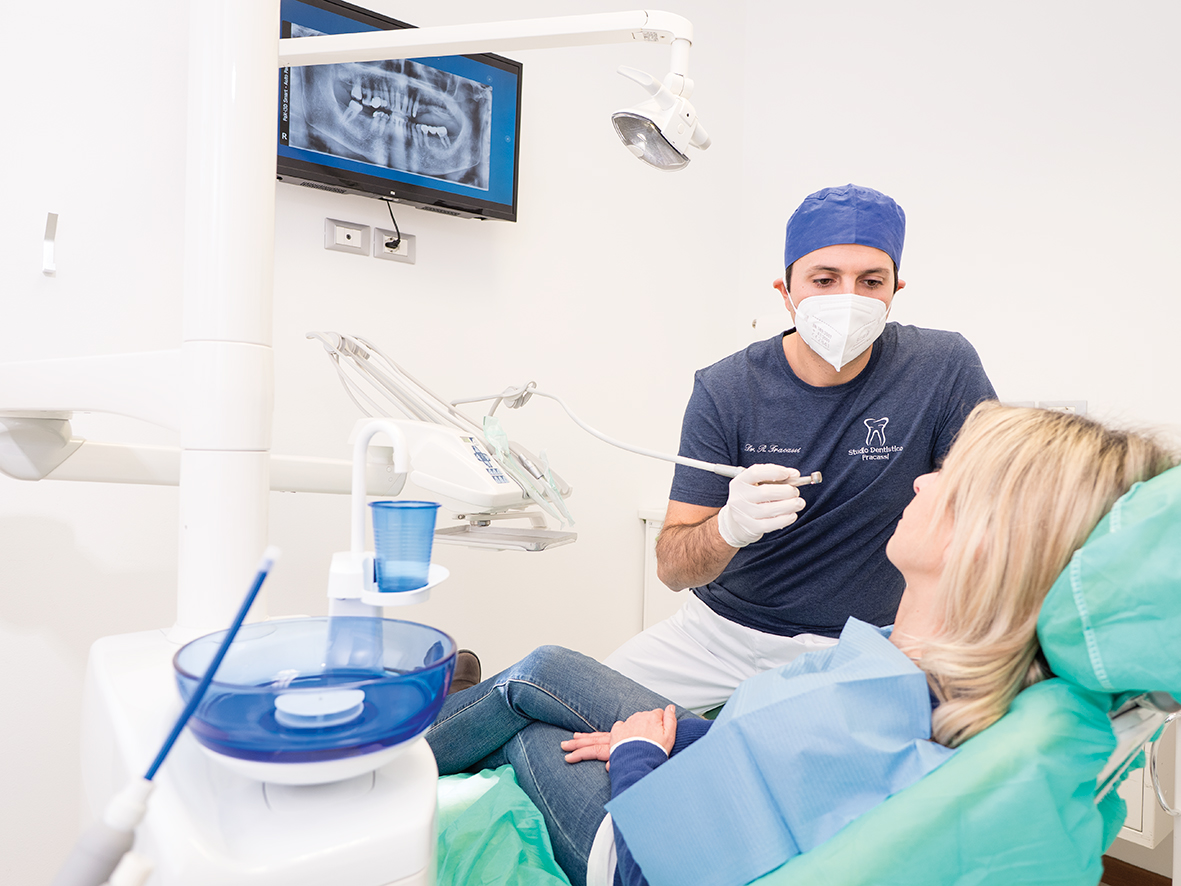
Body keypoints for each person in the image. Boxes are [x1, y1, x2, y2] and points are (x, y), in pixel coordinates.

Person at [426, 403, 1176, 886]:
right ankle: (456, 705)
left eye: (946, 478)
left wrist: (638, 757)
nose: (917, 483)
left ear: (989, 541)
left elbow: (654, 872)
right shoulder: (917, 667)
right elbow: (777, 756)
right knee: (545, 671)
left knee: (526, 721)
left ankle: (400, 749)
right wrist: (685, 735)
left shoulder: (884, 729)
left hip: (628, 849)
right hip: (706, 761)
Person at [603, 183, 998, 713]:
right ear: (785, 291)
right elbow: (673, 571)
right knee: (565, 716)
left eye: (871, 281)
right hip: (718, 639)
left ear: (895, 290)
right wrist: (727, 529)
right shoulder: (727, 389)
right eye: (824, 279)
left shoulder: (942, 366)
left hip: (866, 646)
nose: (847, 299)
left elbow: (990, 510)